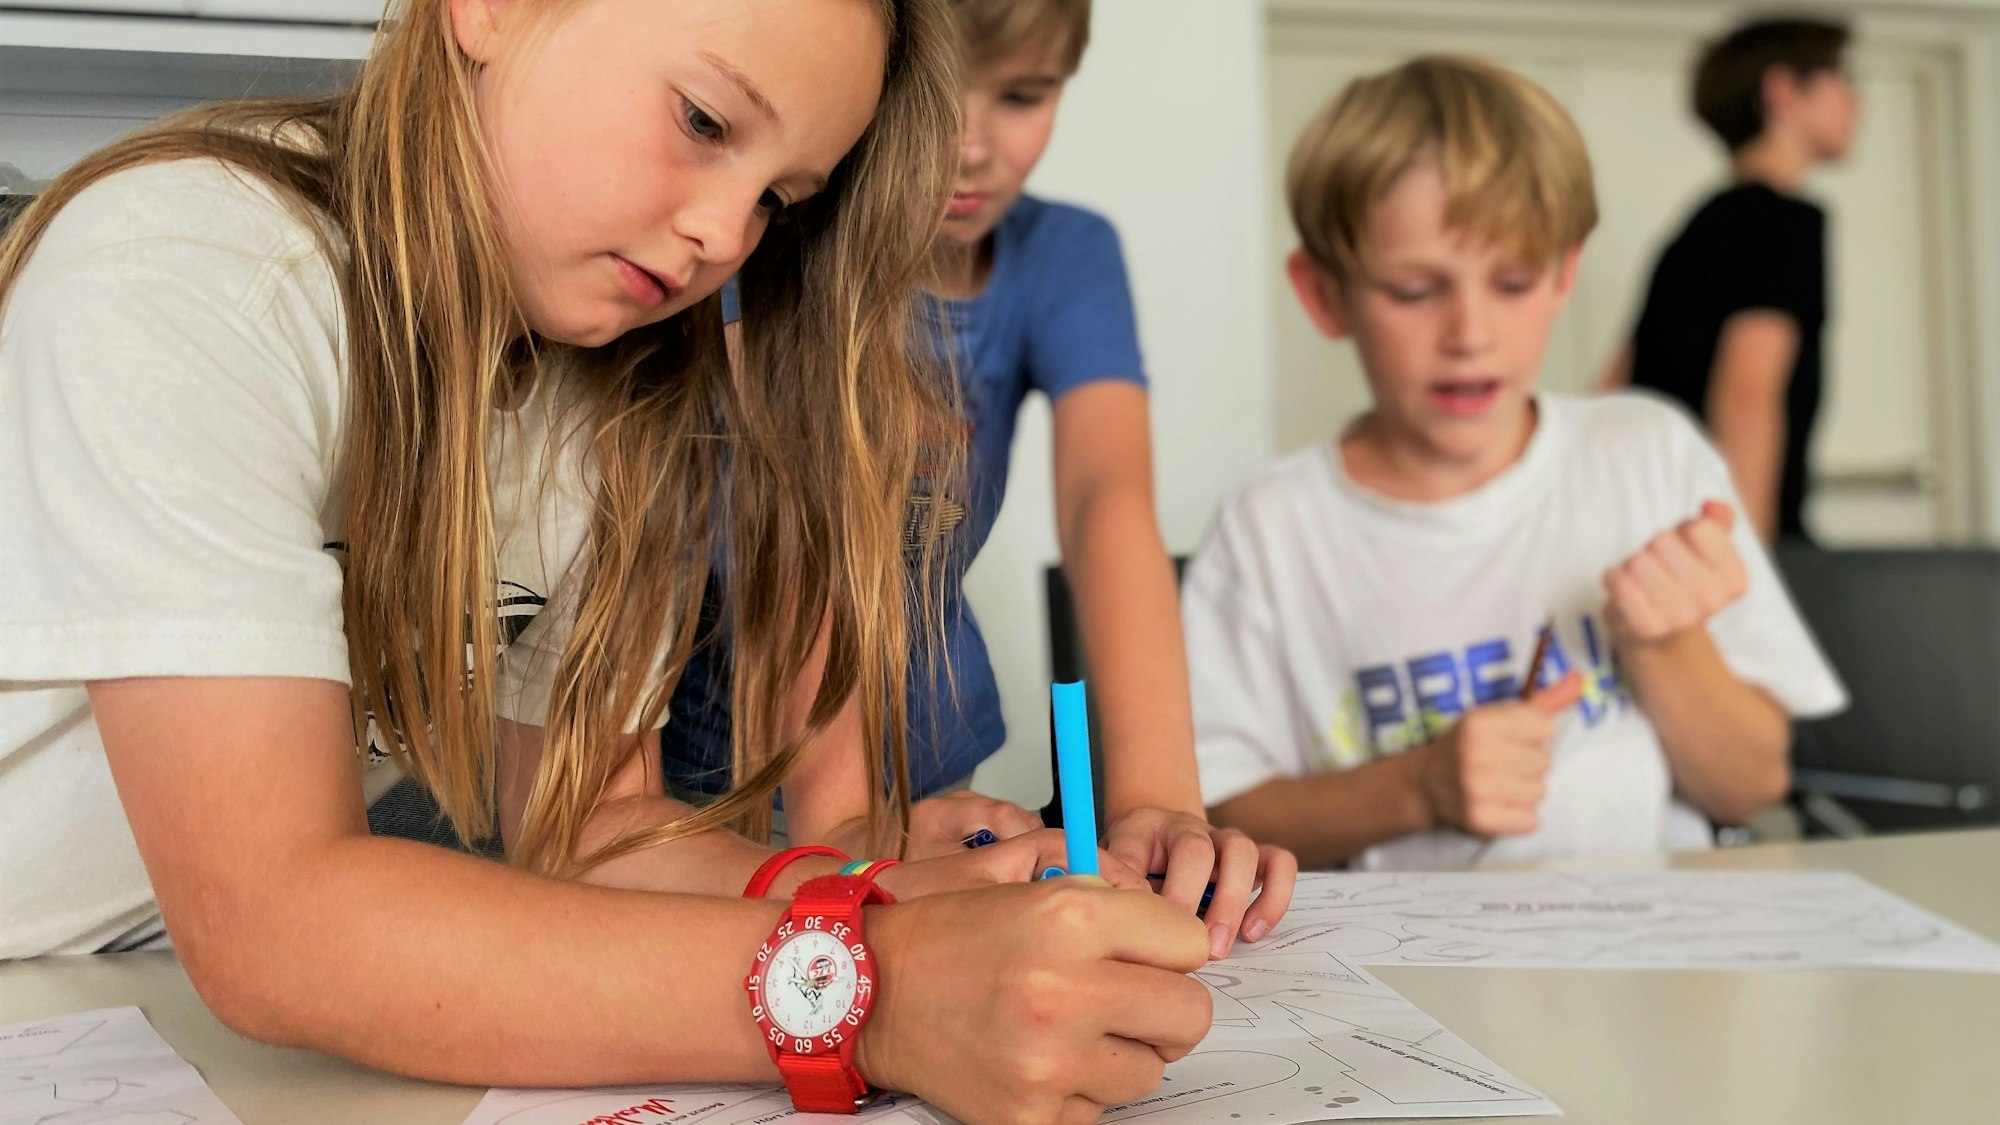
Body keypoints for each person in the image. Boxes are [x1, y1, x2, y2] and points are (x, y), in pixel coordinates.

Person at [0, 1, 1212, 1118]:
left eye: (778, 201)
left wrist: (869, 894)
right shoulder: (190, 267)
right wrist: (871, 987)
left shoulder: (594, 376)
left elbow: (597, 832)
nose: (724, 234)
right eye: (700, 120)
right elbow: (276, 923)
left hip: (120, 1008)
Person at [664, 0, 1295, 958]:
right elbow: (797, 523)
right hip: (711, 796)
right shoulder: (772, 235)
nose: (969, 145)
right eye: (928, 95)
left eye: (1023, 94)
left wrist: (1159, 798)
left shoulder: (1065, 256)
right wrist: (848, 827)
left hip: (938, 778)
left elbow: (1106, 502)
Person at [1184, 56, 1848, 872]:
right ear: (1324, 294)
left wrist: (1668, 646)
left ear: (1564, 273)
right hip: (1401, 980)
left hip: (1655, 972)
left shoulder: (1649, 455)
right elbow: (1214, 818)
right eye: (1415, 290)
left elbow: (1751, 784)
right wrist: (1418, 788)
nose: (1471, 332)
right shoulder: (1269, 526)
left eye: (1512, 281)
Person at [1605, 16, 1858, 544]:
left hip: (1658, 533)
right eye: (1842, 79)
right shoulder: (1786, 221)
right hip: (1721, 543)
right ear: (1784, 91)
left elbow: (1615, 384)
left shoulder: (1699, 225)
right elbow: (1745, 395)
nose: (1856, 100)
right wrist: (1750, 569)